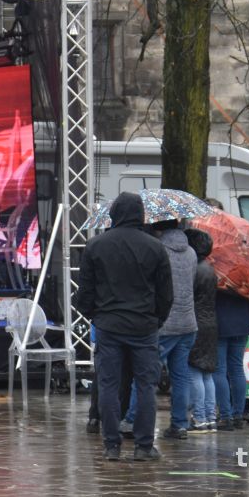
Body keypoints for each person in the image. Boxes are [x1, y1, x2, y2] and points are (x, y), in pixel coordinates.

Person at [74, 192, 172, 462]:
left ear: (114, 213)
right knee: (146, 385)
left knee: (108, 385)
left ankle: (111, 445)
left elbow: (85, 292)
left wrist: (95, 315)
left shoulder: (95, 246)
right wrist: (157, 319)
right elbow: (166, 294)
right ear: (141, 214)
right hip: (144, 326)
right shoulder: (155, 247)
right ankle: (143, 445)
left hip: (108, 324)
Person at [119, 221, 197, 441]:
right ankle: (179, 424)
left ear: (158, 228)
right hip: (188, 322)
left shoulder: (157, 250)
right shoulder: (191, 252)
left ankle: (132, 420)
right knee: (180, 377)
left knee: (145, 375)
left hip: (164, 324)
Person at [185, 229, 219, 434]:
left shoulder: (194, 270)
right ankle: (210, 417)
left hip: (196, 321)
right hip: (211, 322)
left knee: (194, 371)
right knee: (207, 373)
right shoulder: (210, 270)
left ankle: (198, 418)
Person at [214, 287, 249, 430]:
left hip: (220, 321)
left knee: (219, 370)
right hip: (243, 321)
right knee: (237, 369)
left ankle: (225, 416)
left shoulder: (219, 274)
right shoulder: (247, 275)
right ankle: (238, 415)